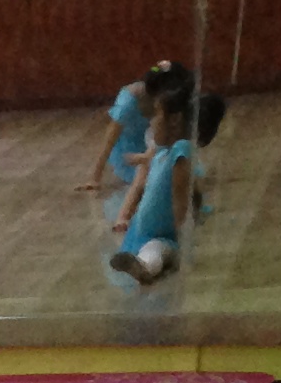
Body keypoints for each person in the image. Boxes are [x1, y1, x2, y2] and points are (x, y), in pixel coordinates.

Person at [109, 80, 201, 286]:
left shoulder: (180, 151)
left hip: (165, 237)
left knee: (156, 250)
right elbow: (141, 187)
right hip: (142, 232)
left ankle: (145, 268)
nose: (151, 122)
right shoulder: (159, 154)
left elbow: (180, 199)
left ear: (175, 120)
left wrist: (184, 242)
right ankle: (138, 262)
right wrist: (125, 216)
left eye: (157, 115)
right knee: (147, 248)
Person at [80, 59, 183, 195]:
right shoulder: (127, 105)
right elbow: (109, 139)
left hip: (155, 140)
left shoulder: (163, 96)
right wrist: (95, 177)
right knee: (154, 178)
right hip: (131, 148)